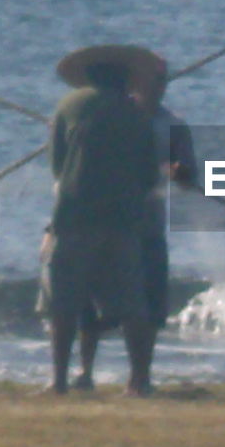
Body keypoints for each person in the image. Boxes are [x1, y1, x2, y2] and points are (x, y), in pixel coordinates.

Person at [39, 44, 163, 397]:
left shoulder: (68, 106)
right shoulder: (136, 114)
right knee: (130, 304)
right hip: (123, 222)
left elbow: (58, 167)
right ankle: (139, 381)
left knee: (63, 302)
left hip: (74, 216)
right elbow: (148, 175)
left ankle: (60, 381)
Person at [73, 61, 197, 390]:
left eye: (161, 80)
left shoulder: (174, 125)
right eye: (149, 80)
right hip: (103, 222)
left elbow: (189, 177)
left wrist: (176, 170)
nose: (156, 87)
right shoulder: (109, 117)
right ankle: (84, 372)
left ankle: (139, 378)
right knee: (91, 301)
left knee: (147, 305)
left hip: (147, 226)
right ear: (134, 83)